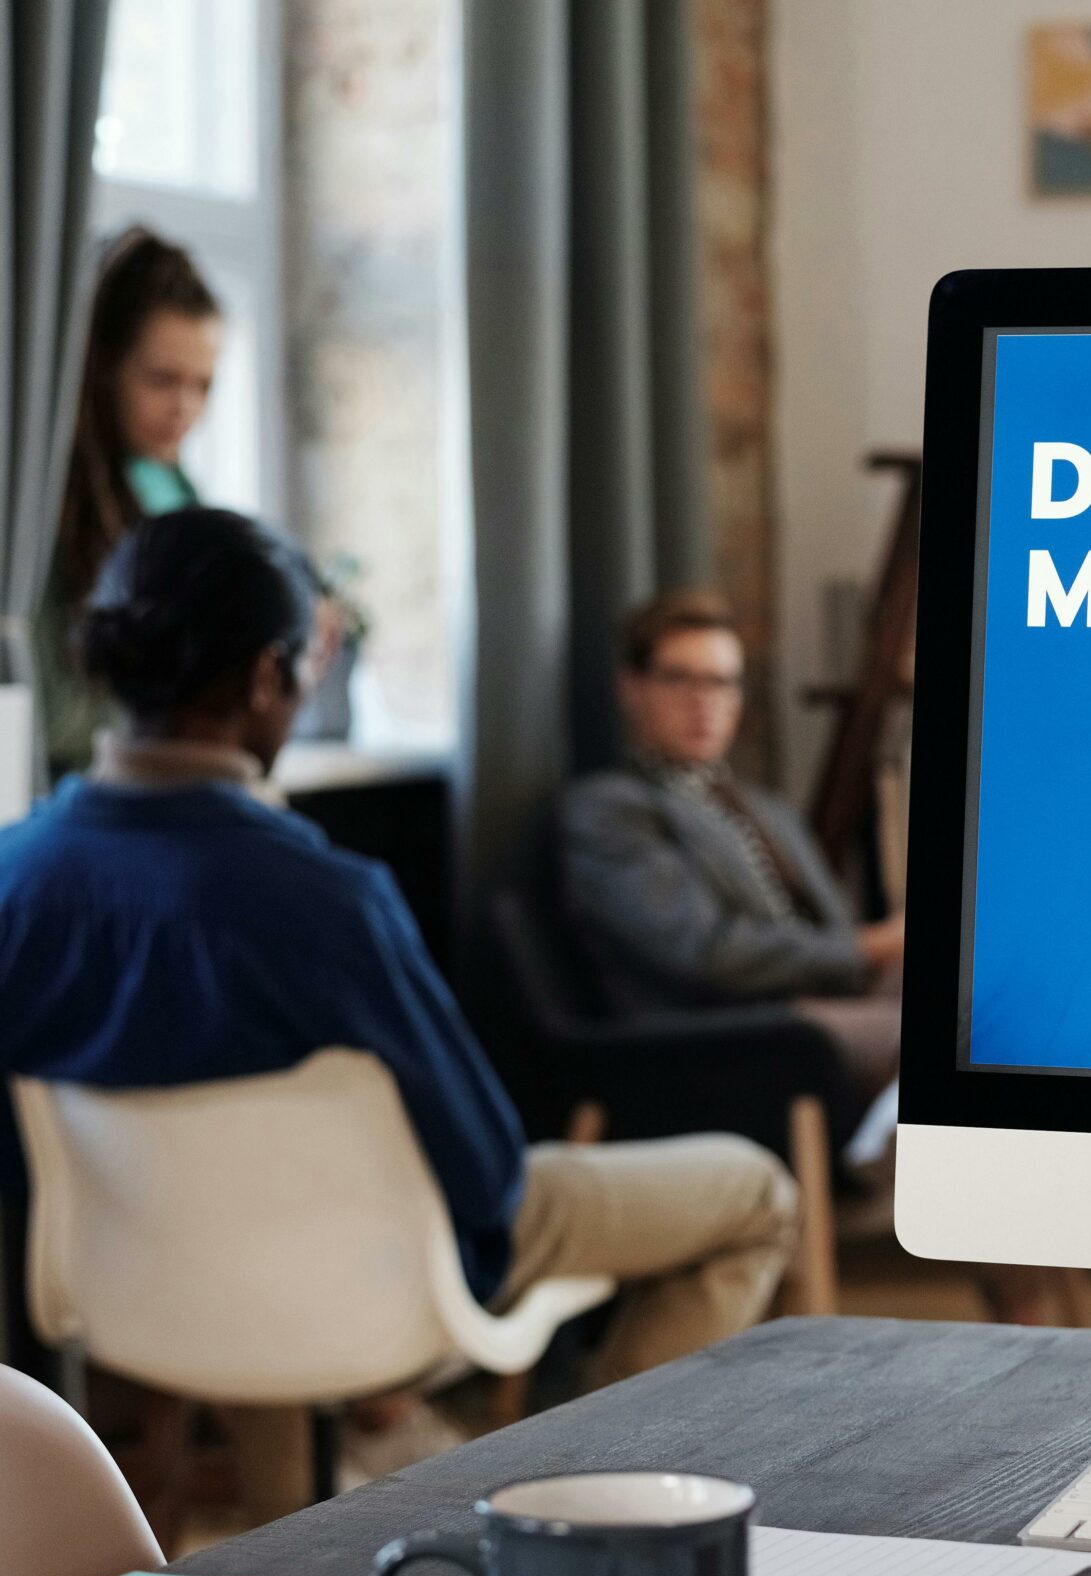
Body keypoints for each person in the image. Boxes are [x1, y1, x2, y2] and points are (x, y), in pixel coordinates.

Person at [0, 509, 798, 1388]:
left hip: (138, 1286)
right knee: (755, 1195)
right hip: (364, 1279)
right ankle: (599, 1495)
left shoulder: (14, 878)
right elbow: (484, 1168)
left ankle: (308, 1499)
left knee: (269, 1228)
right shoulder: (322, 901)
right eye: (311, 665)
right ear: (270, 676)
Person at [557, 590, 903, 1094]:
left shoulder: (767, 809)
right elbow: (705, 953)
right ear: (632, 689)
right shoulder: (612, 809)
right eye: (679, 679)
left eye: (721, 683)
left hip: (828, 991)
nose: (704, 701)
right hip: (730, 1026)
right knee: (941, 1041)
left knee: (992, 998)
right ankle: (902, 1168)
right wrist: (867, 947)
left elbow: (830, 925)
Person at [40, 229, 224, 776]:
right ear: (101, 367)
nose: (184, 410)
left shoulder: (173, 488)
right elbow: (54, 712)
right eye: (162, 380)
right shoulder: (44, 507)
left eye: (203, 386)